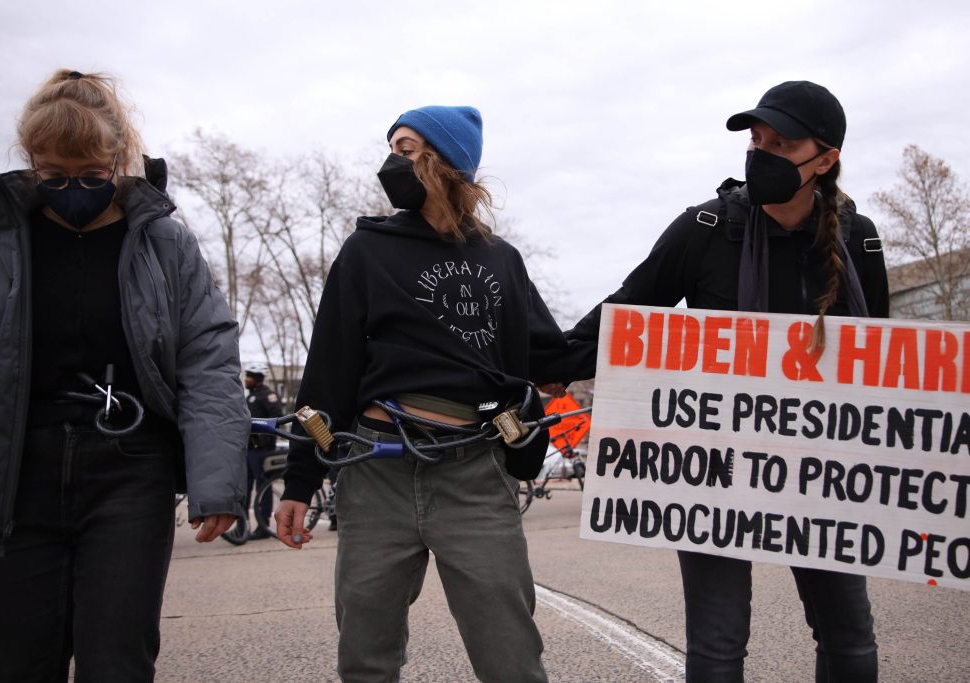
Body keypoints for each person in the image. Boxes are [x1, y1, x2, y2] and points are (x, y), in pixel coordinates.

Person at [556, 81, 888, 682]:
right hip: (717, 473)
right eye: (756, 139)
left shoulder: (857, 239)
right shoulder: (704, 229)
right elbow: (620, 318)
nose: (760, 153)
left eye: (780, 143)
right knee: (717, 648)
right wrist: (537, 365)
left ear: (826, 159)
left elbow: (886, 365)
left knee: (850, 640)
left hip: (823, 473)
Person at [0, 69, 249, 682]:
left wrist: (218, 480)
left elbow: (208, 360)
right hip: (14, 474)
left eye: (91, 175)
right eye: (52, 175)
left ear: (119, 159)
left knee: (118, 659)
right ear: (29, 163)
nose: (72, 189)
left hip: (130, 470)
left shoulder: (165, 243)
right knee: (13, 660)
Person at [274, 105, 568, 682]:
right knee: (365, 655)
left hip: (477, 473)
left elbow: (551, 356)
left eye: (407, 149)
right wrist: (303, 480)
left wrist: (631, 349)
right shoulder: (366, 251)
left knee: (512, 659)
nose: (392, 162)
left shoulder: (500, 259)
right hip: (375, 471)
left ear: (449, 161)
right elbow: (326, 371)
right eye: (392, 148)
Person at [243, 363, 282, 539]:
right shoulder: (250, 397)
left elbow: (277, 421)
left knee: (263, 489)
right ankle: (241, 526)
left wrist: (265, 442)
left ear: (258, 378)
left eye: (249, 376)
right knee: (244, 489)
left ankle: (263, 525)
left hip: (262, 451)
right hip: (248, 450)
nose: (246, 379)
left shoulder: (268, 396)